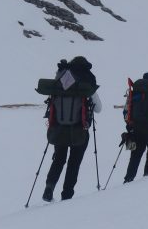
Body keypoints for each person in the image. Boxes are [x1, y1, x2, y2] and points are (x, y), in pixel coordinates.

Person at [40, 56, 102, 202]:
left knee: (59, 159)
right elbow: (98, 108)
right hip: (79, 131)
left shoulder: (61, 79)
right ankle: (67, 196)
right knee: (74, 163)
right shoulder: (87, 82)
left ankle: (49, 186)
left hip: (58, 129)